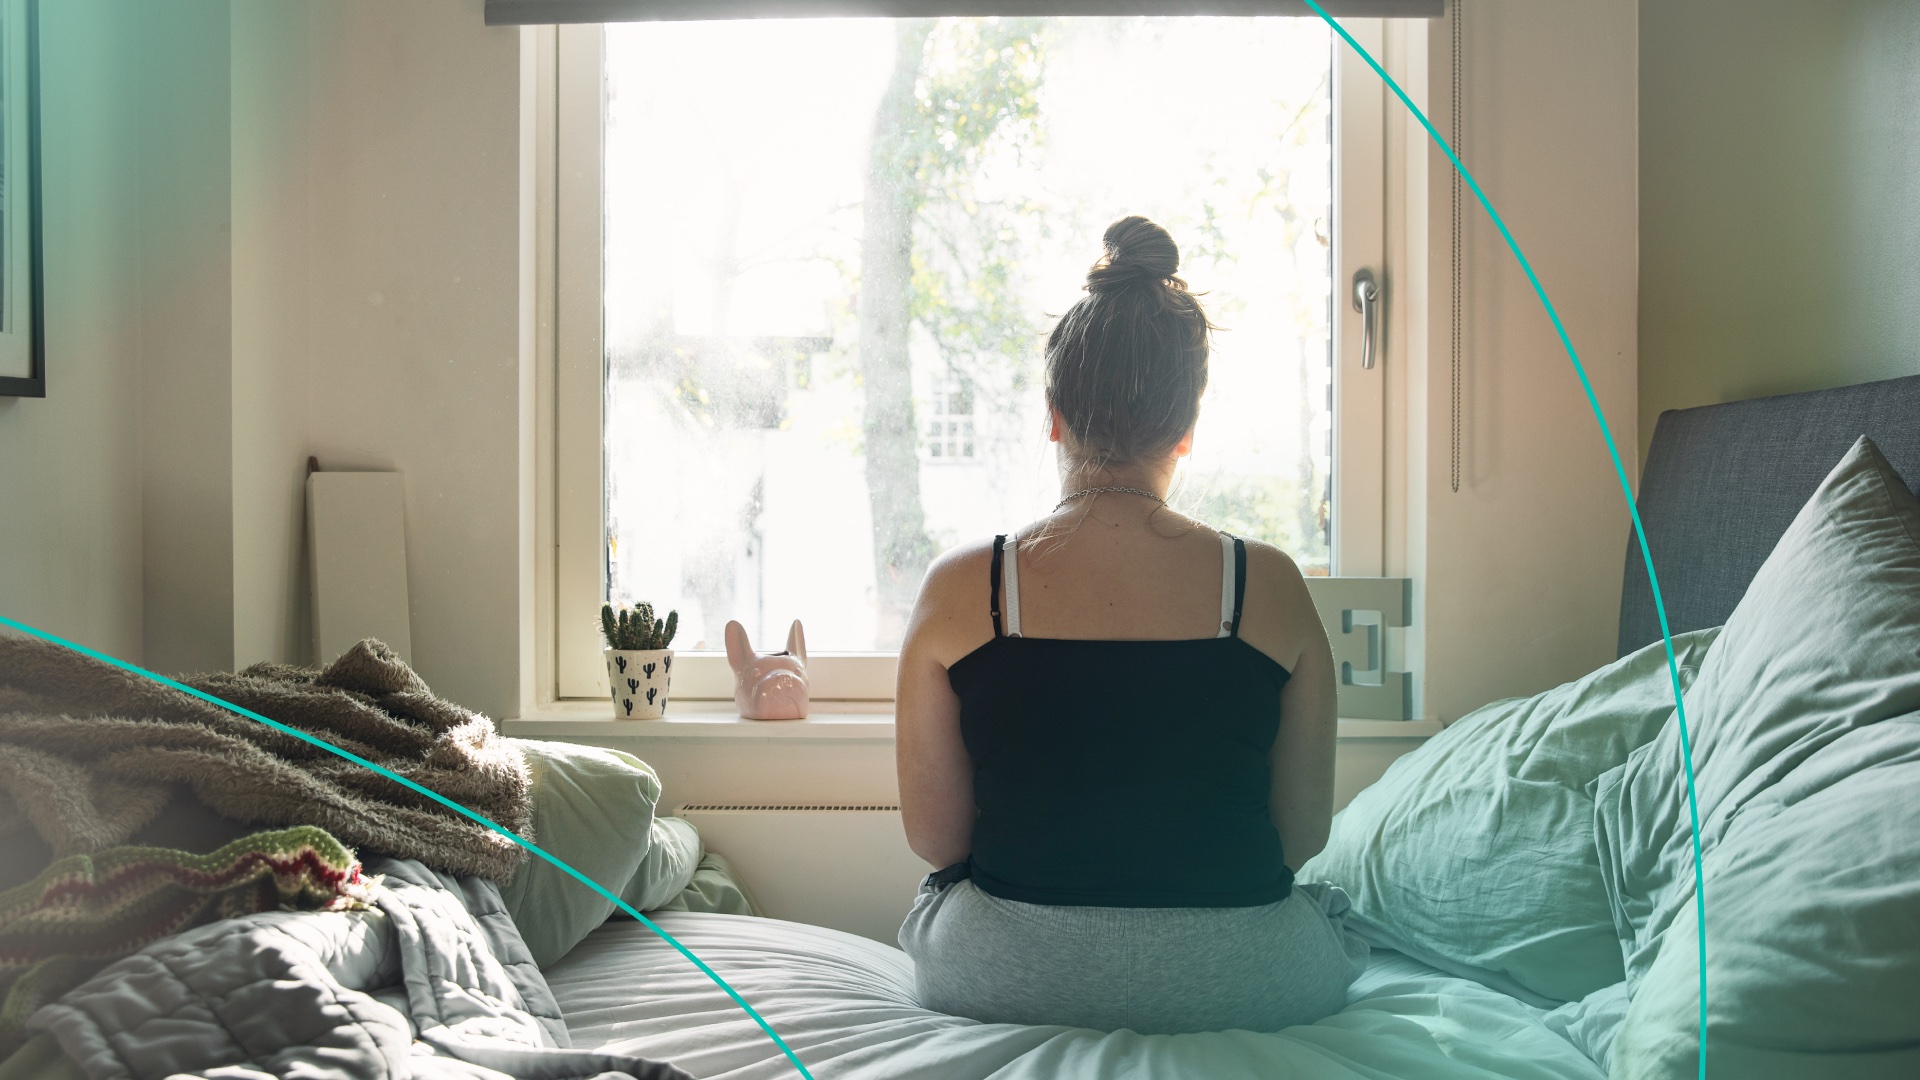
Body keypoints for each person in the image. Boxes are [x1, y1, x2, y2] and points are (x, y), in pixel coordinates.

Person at [894, 215, 1367, 1035]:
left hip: (1005, 974)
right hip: (1245, 974)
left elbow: (938, 842)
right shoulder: (1269, 583)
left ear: (1053, 414)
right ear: (1185, 428)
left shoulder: (964, 588)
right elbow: (1300, 837)